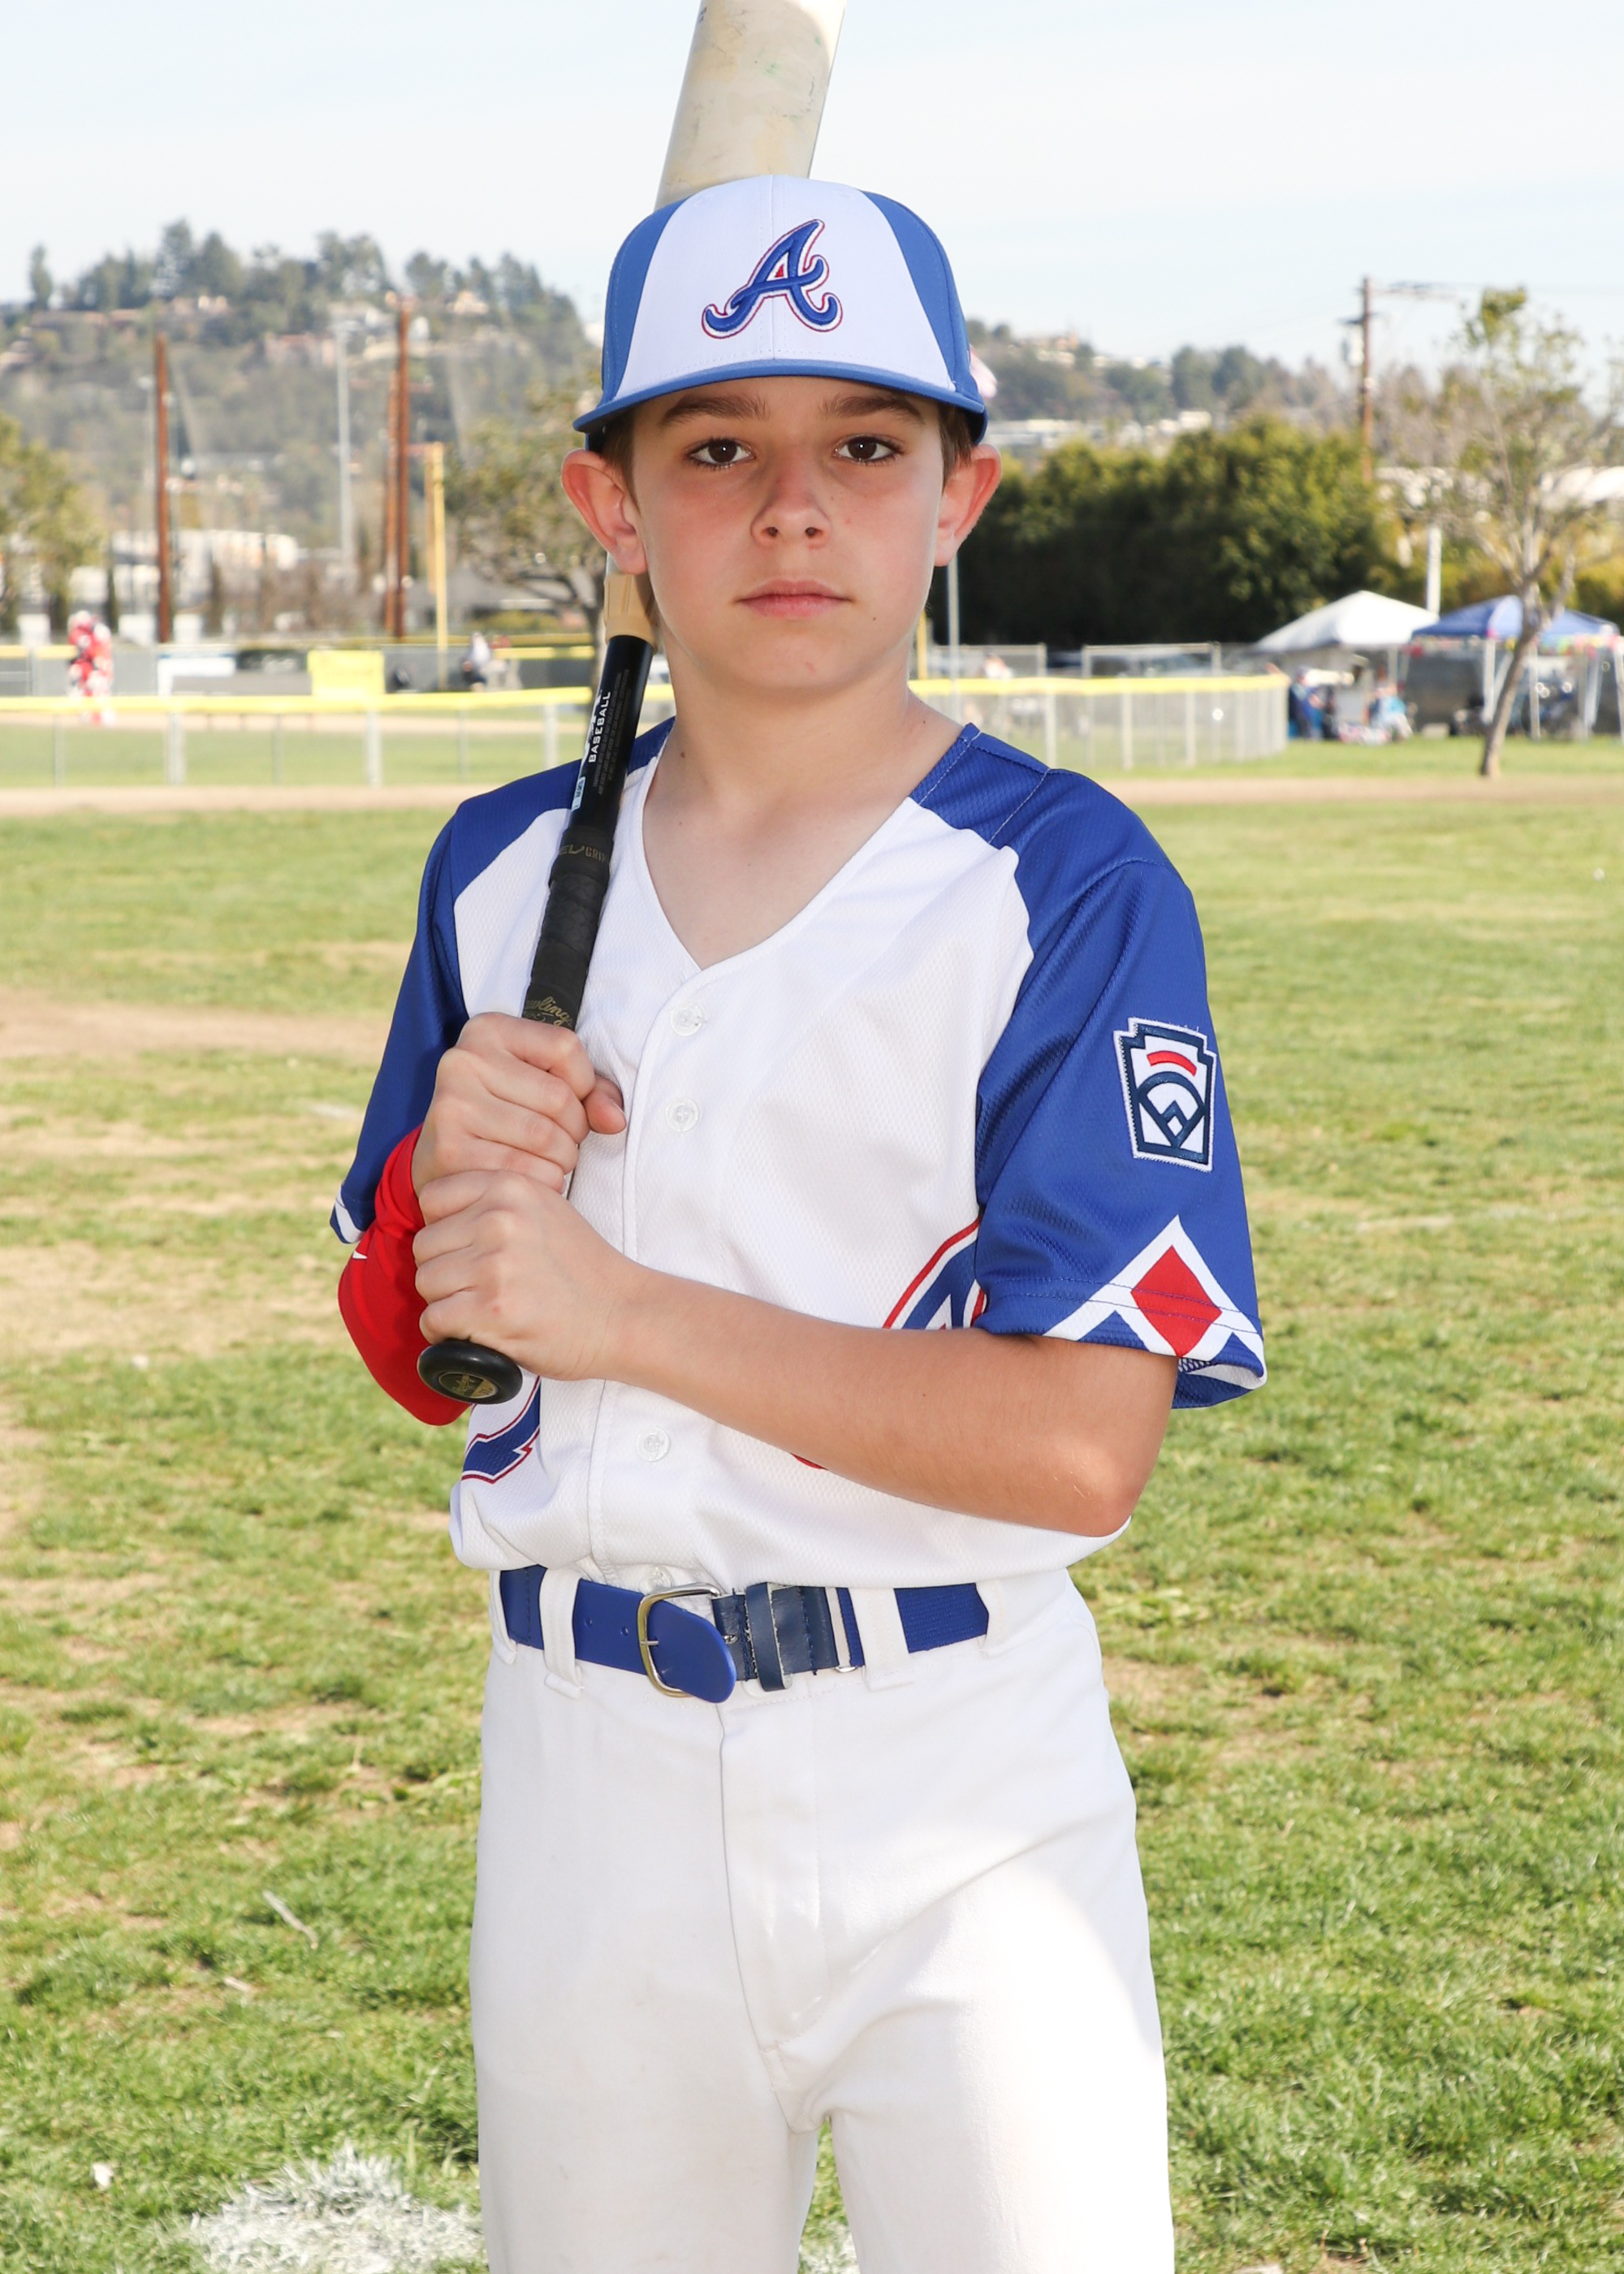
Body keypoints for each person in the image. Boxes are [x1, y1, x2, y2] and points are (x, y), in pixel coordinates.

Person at [334, 175, 1264, 2274]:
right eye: (714, 449)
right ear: (610, 504)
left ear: (959, 497)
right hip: (583, 1778)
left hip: (957, 1778)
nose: (790, 509)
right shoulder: (502, 874)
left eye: (862, 445)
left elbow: (1082, 1448)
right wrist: (445, 1198)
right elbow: (422, 1353)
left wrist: (625, 1309)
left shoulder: (1063, 883)